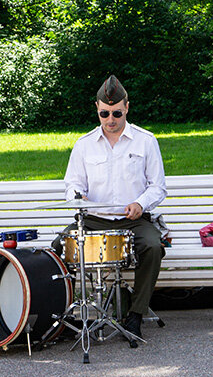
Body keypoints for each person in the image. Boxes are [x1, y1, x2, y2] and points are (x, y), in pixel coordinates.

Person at [55, 75, 166, 348]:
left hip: (133, 221)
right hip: (94, 220)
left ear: (127, 107)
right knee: (57, 247)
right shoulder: (84, 144)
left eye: (116, 113)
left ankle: (135, 315)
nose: (111, 119)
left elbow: (158, 187)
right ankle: (64, 319)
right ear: (97, 109)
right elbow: (72, 184)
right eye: (105, 113)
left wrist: (140, 203)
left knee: (153, 247)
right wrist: (76, 196)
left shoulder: (145, 141)